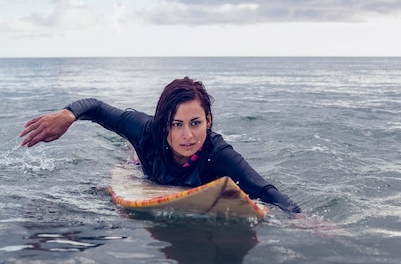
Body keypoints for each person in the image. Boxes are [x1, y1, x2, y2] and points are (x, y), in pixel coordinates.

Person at [20, 77, 301, 214]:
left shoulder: (218, 154)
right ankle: (133, 155)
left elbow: (266, 191)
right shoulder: (145, 128)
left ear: (209, 120)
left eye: (195, 123)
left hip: (184, 177)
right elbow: (96, 108)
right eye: (176, 124)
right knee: (134, 162)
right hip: (145, 163)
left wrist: (305, 219)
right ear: (163, 123)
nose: (188, 135)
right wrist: (68, 115)